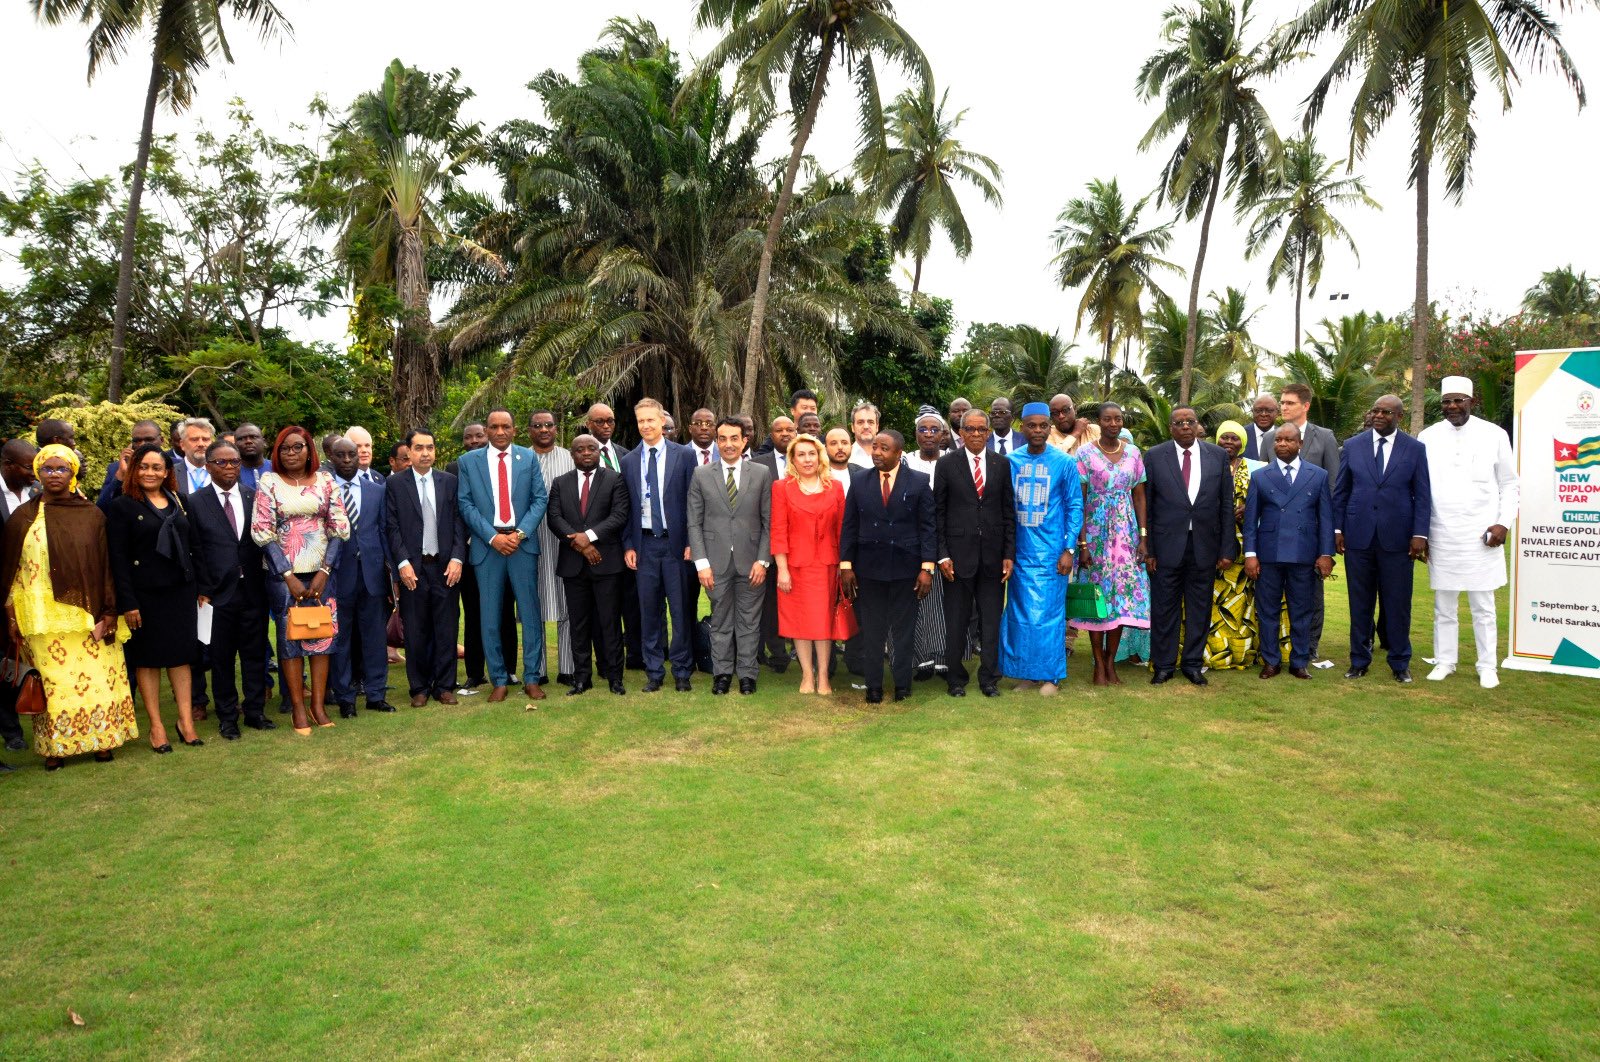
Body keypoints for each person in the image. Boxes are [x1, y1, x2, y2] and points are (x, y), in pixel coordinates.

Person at [1, 445, 138, 768]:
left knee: (98, 680)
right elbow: (10, 571)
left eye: (61, 469)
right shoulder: (23, 517)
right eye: (47, 469)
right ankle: (56, 748)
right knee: (53, 683)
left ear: (73, 473)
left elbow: (106, 566)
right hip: (40, 616)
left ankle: (102, 741)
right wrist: (11, 613)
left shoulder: (91, 515)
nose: (54, 475)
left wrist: (109, 611)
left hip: (88, 613)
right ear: (38, 473)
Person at [1419, 376, 1520, 689]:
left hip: (1482, 534)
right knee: (1444, 605)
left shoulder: (1494, 434)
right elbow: (1420, 489)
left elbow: (1509, 483)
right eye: (1447, 401)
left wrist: (1504, 523)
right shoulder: (1428, 436)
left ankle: (1487, 666)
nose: (1452, 406)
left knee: (1483, 606)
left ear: (1472, 402)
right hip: (1442, 532)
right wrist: (1421, 533)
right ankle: (1445, 661)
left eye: (1458, 400)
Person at [252, 426, 351, 733]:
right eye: (285, 448)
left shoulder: (326, 480)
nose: (292, 453)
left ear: (310, 450)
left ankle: (317, 706)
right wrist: (288, 576)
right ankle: (297, 707)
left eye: (298, 447)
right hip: (283, 576)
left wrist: (325, 570)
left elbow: (339, 527)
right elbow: (262, 532)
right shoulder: (268, 482)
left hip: (323, 573)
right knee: (290, 640)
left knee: (323, 638)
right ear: (277, 452)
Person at [107, 443, 205, 751]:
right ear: (134, 470)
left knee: (181, 658)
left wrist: (202, 587)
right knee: (147, 660)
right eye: (144, 466)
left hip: (181, 592)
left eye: (157, 467)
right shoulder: (122, 506)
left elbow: (194, 546)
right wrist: (128, 603)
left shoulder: (179, 500)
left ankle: (185, 722)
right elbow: (118, 559)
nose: (150, 472)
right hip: (144, 596)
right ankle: (157, 727)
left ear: (166, 472)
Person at [1334, 394, 1431, 683]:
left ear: (1399, 416)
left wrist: (1419, 534)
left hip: (1398, 540)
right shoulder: (1352, 446)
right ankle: (1358, 660)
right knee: (1360, 603)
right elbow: (1341, 492)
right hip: (1358, 538)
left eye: (1386, 412)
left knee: (1397, 604)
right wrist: (1337, 530)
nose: (1378, 415)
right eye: (1375, 410)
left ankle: (1400, 663)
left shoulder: (1415, 449)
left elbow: (1422, 495)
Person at [456, 409, 549, 702]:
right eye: (494, 427)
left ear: (514, 429)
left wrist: (519, 534)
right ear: (486, 430)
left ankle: (532, 678)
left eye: (505, 426)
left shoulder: (528, 458)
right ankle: (498, 679)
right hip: (488, 547)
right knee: (489, 616)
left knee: (530, 614)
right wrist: (493, 537)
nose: (499, 432)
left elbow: (539, 498)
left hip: (521, 545)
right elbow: (465, 503)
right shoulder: (468, 462)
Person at [840, 430, 936, 703]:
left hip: (907, 570)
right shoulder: (859, 480)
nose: (877, 453)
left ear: (898, 453)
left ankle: (903, 685)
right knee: (872, 631)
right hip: (869, 569)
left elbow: (928, 528)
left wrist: (927, 568)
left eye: (884, 448)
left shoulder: (918, 482)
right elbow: (849, 525)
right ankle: (873, 686)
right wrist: (846, 565)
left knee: (904, 632)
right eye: (875, 447)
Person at [1143, 407, 1236, 686]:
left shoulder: (1217, 456)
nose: (1185, 426)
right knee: (1164, 608)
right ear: (1170, 427)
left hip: (1205, 546)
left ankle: (1193, 664)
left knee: (1199, 608)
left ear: (1197, 426)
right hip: (1166, 546)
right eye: (1179, 422)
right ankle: (1164, 665)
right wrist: (1149, 549)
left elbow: (1226, 505)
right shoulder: (1155, 456)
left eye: (1190, 422)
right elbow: (1148, 505)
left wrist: (1227, 548)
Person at [188, 440, 275, 738]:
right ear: (208, 466)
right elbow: (194, 549)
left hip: (253, 590)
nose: (229, 467)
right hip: (215, 594)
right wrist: (203, 588)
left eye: (234, 462)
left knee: (254, 654)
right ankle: (227, 717)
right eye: (221, 462)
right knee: (221, 659)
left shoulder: (255, 496)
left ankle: (255, 712)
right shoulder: (195, 502)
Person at [1000, 403, 1083, 694]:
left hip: (1052, 554)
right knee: (1021, 615)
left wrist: (1069, 549)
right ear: (1021, 427)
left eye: (1043, 425)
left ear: (1049, 428)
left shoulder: (1064, 463)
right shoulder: (1010, 462)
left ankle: (1051, 676)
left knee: (1049, 615)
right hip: (1020, 553)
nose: (1037, 430)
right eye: (1031, 425)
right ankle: (1026, 674)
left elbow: (1075, 507)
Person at [1243, 423, 1336, 679]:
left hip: (1303, 554)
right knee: (1268, 611)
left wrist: (1326, 554)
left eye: (1288, 440)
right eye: (1278, 440)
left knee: (1302, 611)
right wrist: (1250, 555)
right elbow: (1251, 520)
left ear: (1300, 444)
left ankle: (1299, 662)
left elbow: (1325, 518)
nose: (1282, 444)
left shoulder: (1318, 475)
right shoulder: (1260, 476)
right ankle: (1271, 661)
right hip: (1268, 554)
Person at [688, 417, 772, 695]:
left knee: (749, 623)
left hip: (752, 563)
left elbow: (769, 521)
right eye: (722, 439)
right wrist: (701, 564)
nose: (728, 444)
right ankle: (722, 674)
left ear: (744, 441)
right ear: (716, 441)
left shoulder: (761, 473)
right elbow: (694, 522)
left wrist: (763, 561)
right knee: (721, 622)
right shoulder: (701, 474)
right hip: (715, 563)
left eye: (734, 438)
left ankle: (747, 674)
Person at [936, 408, 1015, 698]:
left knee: (991, 622)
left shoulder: (1001, 464)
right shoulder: (946, 464)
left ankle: (989, 678)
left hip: (993, 558)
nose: (977, 434)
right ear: (961, 433)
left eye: (982, 429)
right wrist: (942, 555)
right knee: (956, 622)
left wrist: (1009, 553)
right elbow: (938, 512)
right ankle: (955, 679)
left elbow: (1008, 511)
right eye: (970, 429)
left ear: (988, 433)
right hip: (957, 559)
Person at [384, 428, 466, 706]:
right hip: (413, 569)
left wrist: (457, 558)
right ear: (408, 451)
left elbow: (459, 522)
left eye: (430, 447)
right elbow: (391, 527)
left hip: (445, 568)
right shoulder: (395, 484)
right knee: (416, 631)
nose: (425, 453)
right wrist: (402, 563)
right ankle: (419, 688)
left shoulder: (449, 482)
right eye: (419, 448)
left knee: (446, 629)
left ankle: (444, 686)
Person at [1071, 403, 1151, 687]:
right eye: (1108, 419)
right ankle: (1097, 663)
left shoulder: (1133, 453)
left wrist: (1142, 537)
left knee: (1120, 600)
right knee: (1098, 598)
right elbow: (1078, 501)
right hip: (1095, 535)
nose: (1114, 424)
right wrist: (1082, 544)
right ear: (1099, 422)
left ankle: (1110, 661)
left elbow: (1139, 496)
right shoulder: (1084, 454)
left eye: (1118, 419)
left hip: (1125, 537)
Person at [547, 435, 630, 695]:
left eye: (591, 448)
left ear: (599, 452)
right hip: (573, 565)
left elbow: (619, 515)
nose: (586, 453)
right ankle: (582, 678)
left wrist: (590, 536)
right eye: (580, 449)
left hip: (607, 564)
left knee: (610, 622)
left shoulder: (614, 479)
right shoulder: (560, 483)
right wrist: (581, 544)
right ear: (572, 454)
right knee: (578, 624)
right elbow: (554, 518)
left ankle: (615, 678)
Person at [1261, 384, 1340, 663]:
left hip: (1310, 532)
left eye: (1290, 403)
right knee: (1271, 599)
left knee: (1311, 595)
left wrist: (1329, 537)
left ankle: (1310, 645)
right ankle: (1275, 649)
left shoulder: (1325, 437)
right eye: (1282, 402)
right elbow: (1263, 478)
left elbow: (1333, 486)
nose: (1283, 407)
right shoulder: (1270, 438)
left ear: (1305, 406)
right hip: (1275, 534)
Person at [622, 398, 696, 691]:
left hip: (676, 545)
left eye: (650, 420)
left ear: (662, 421)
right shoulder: (629, 461)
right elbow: (627, 508)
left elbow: (693, 502)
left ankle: (682, 671)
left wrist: (691, 541)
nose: (646, 425)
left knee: (680, 612)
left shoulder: (684, 456)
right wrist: (629, 544)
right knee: (649, 613)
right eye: (641, 421)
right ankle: (654, 672)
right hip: (645, 546)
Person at [771, 433, 846, 694]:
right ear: (792, 459)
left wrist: (844, 567)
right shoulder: (781, 488)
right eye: (801, 454)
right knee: (799, 622)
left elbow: (842, 530)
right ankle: (806, 675)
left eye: (811, 454)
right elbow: (778, 530)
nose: (807, 459)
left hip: (827, 566)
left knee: (823, 622)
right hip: (795, 567)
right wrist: (782, 569)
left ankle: (823, 676)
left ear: (819, 457)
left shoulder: (835, 487)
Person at [326, 438, 394, 716]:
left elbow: (383, 531)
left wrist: (392, 572)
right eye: (340, 455)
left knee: (375, 638)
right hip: (337, 576)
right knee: (340, 639)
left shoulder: (376, 490)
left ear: (358, 456)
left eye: (351, 454)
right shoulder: (324, 490)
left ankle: (376, 694)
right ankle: (345, 698)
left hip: (372, 575)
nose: (346, 460)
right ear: (331, 458)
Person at [1201, 421, 1275, 670]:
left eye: (1235, 438)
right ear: (1217, 440)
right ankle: (1211, 651)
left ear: (1243, 443)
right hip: (1211, 542)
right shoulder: (1207, 464)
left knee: (1241, 598)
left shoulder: (1258, 468)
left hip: (1245, 544)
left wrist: (1251, 509)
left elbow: (1270, 502)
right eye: (1225, 437)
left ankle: (1240, 652)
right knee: (1211, 597)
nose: (1229, 443)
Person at [448, 422, 516, 690]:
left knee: (505, 611)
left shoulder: (503, 464)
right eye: (468, 437)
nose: (474, 440)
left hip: (503, 548)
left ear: (486, 435)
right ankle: (475, 671)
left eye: (478, 435)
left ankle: (509, 669)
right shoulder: (455, 468)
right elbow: (457, 511)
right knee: (474, 612)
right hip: (471, 552)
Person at [528, 411, 576, 686]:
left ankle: (567, 668)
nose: (544, 429)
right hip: (529, 541)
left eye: (549, 425)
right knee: (533, 605)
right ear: (529, 430)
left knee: (567, 603)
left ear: (556, 428)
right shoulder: (520, 459)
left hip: (564, 542)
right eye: (538, 425)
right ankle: (538, 669)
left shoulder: (570, 458)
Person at [0, 438, 40, 760]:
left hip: (32, 591)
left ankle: (19, 723)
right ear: (8, 465)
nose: (35, 473)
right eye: (29, 467)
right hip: (2, 590)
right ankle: (11, 731)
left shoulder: (37, 493)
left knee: (18, 659)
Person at [905, 410, 952, 681]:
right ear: (916, 434)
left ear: (943, 434)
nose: (929, 434)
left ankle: (944, 658)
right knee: (920, 599)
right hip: (915, 539)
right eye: (923, 429)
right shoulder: (905, 461)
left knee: (945, 602)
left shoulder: (953, 460)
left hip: (948, 540)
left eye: (935, 430)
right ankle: (923, 659)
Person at [752, 415, 798, 673]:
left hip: (801, 543)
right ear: (771, 435)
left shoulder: (808, 459)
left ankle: (800, 650)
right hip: (768, 541)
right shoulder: (758, 464)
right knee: (769, 602)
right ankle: (774, 653)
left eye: (789, 429)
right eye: (779, 430)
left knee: (797, 600)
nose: (785, 434)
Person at [96, 419, 164, 509]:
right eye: (137, 441)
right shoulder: (116, 468)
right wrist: (121, 476)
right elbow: (101, 508)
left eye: (149, 439)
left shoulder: (176, 466)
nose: (142, 444)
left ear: (161, 440)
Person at [173, 417, 215, 497]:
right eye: (194, 439)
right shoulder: (171, 473)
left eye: (205, 439)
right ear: (182, 444)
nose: (201, 444)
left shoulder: (222, 471)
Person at [233, 423, 272, 490]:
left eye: (254, 437)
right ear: (234, 445)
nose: (248, 441)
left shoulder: (278, 468)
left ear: (264, 442)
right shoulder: (230, 472)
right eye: (241, 439)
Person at [1243, 395, 1278, 461]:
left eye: (1269, 411)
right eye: (1258, 410)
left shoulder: (1285, 436)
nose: (1263, 414)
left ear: (1277, 413)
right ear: (1252, 412)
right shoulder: (1241, 435)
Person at [848, 402, 879, 468]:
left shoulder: (893, 455)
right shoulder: (845, 456)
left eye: (870, 422)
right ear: (852, 427)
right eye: (860, 422)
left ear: (877, 427)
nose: (866, 427)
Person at [825, 427, 856, 493]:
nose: (840, 447)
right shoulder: (818, 474)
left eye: (844, 443)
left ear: (851, 447)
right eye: (833, 443)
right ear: (825, 449)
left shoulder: (862, 474)